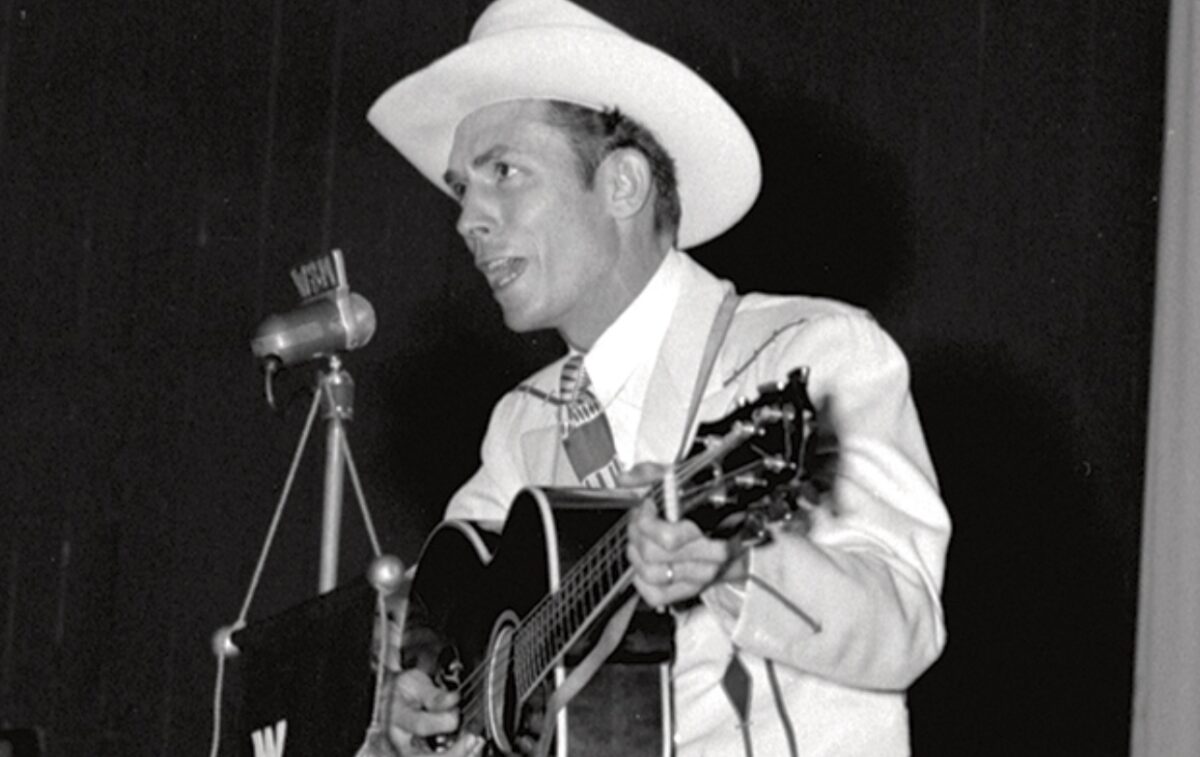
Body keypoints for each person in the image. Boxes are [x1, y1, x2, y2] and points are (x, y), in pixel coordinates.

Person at [366, 0, 951, 754]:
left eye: (504, 172)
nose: (468, 220)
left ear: (622, 184)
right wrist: (416, 707)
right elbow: (439, 636)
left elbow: (904, 624)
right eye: (460, 190)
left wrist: (735, 566)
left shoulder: (812, 353)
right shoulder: (523, 423)